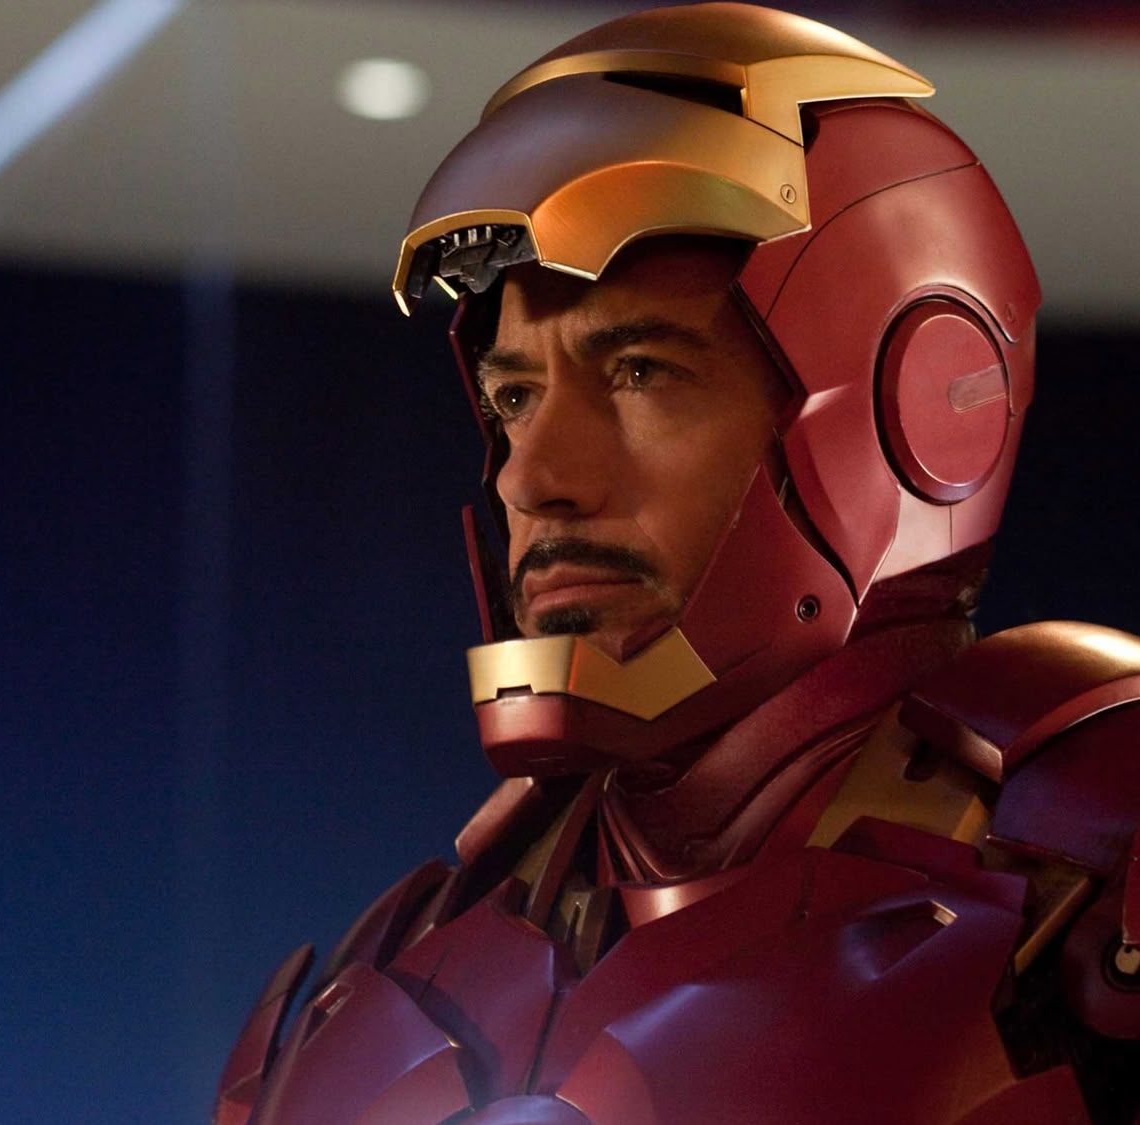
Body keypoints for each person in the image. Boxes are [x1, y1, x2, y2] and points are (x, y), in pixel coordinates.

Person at [213, 4, 1140, 1124]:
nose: (531, 477)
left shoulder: (1094, 869)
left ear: (916, 410)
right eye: (513, 398)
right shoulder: (416, 947)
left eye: (639, 373)